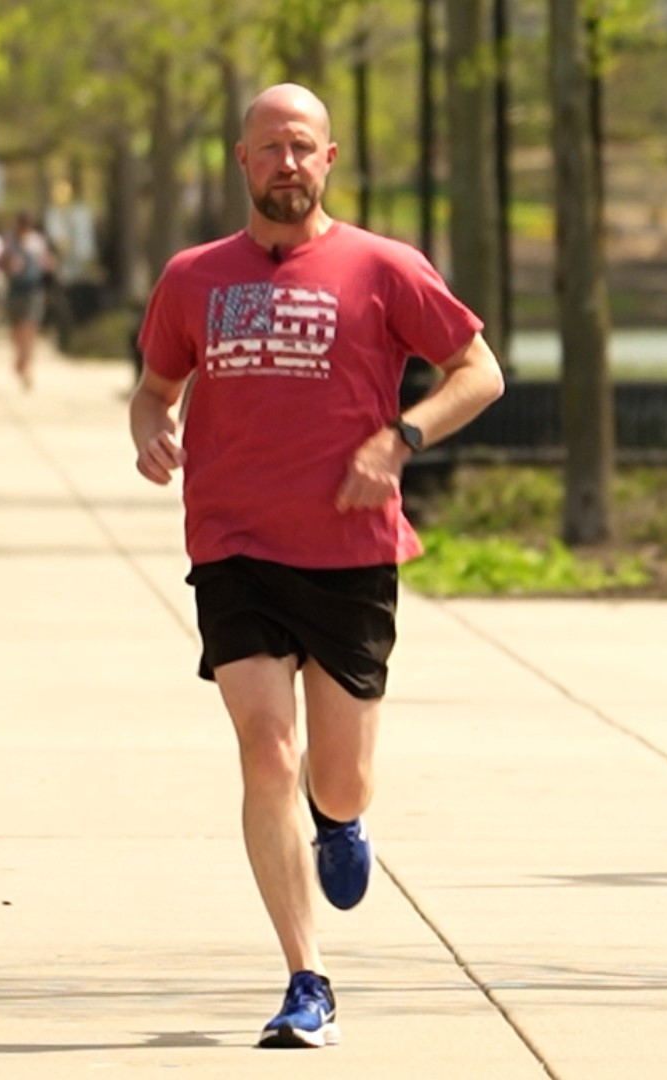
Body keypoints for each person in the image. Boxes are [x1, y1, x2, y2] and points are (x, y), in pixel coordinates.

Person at [129, 83, 505, 1050]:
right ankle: (307, 981)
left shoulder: (385, 267)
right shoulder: (192, 278)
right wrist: (151, 430)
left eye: (303, 147)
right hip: (233, 543)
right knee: (266, 752)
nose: (286, 163)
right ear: (241, 161)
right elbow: (155, 387)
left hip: (347, 551)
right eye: (269, 147)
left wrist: (401, 437)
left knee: (336, 780)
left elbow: (480, 372)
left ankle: (338, 821)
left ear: (329, 159)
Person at [3, 210, 57, 390]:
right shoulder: (10, 242)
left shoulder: (37, 242)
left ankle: (27, 366)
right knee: (17, 330)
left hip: (33, 290)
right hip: (15, 290)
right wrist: (8, 264)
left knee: (30, 328)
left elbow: (49, 262)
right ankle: (20, 356)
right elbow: (0, 261)